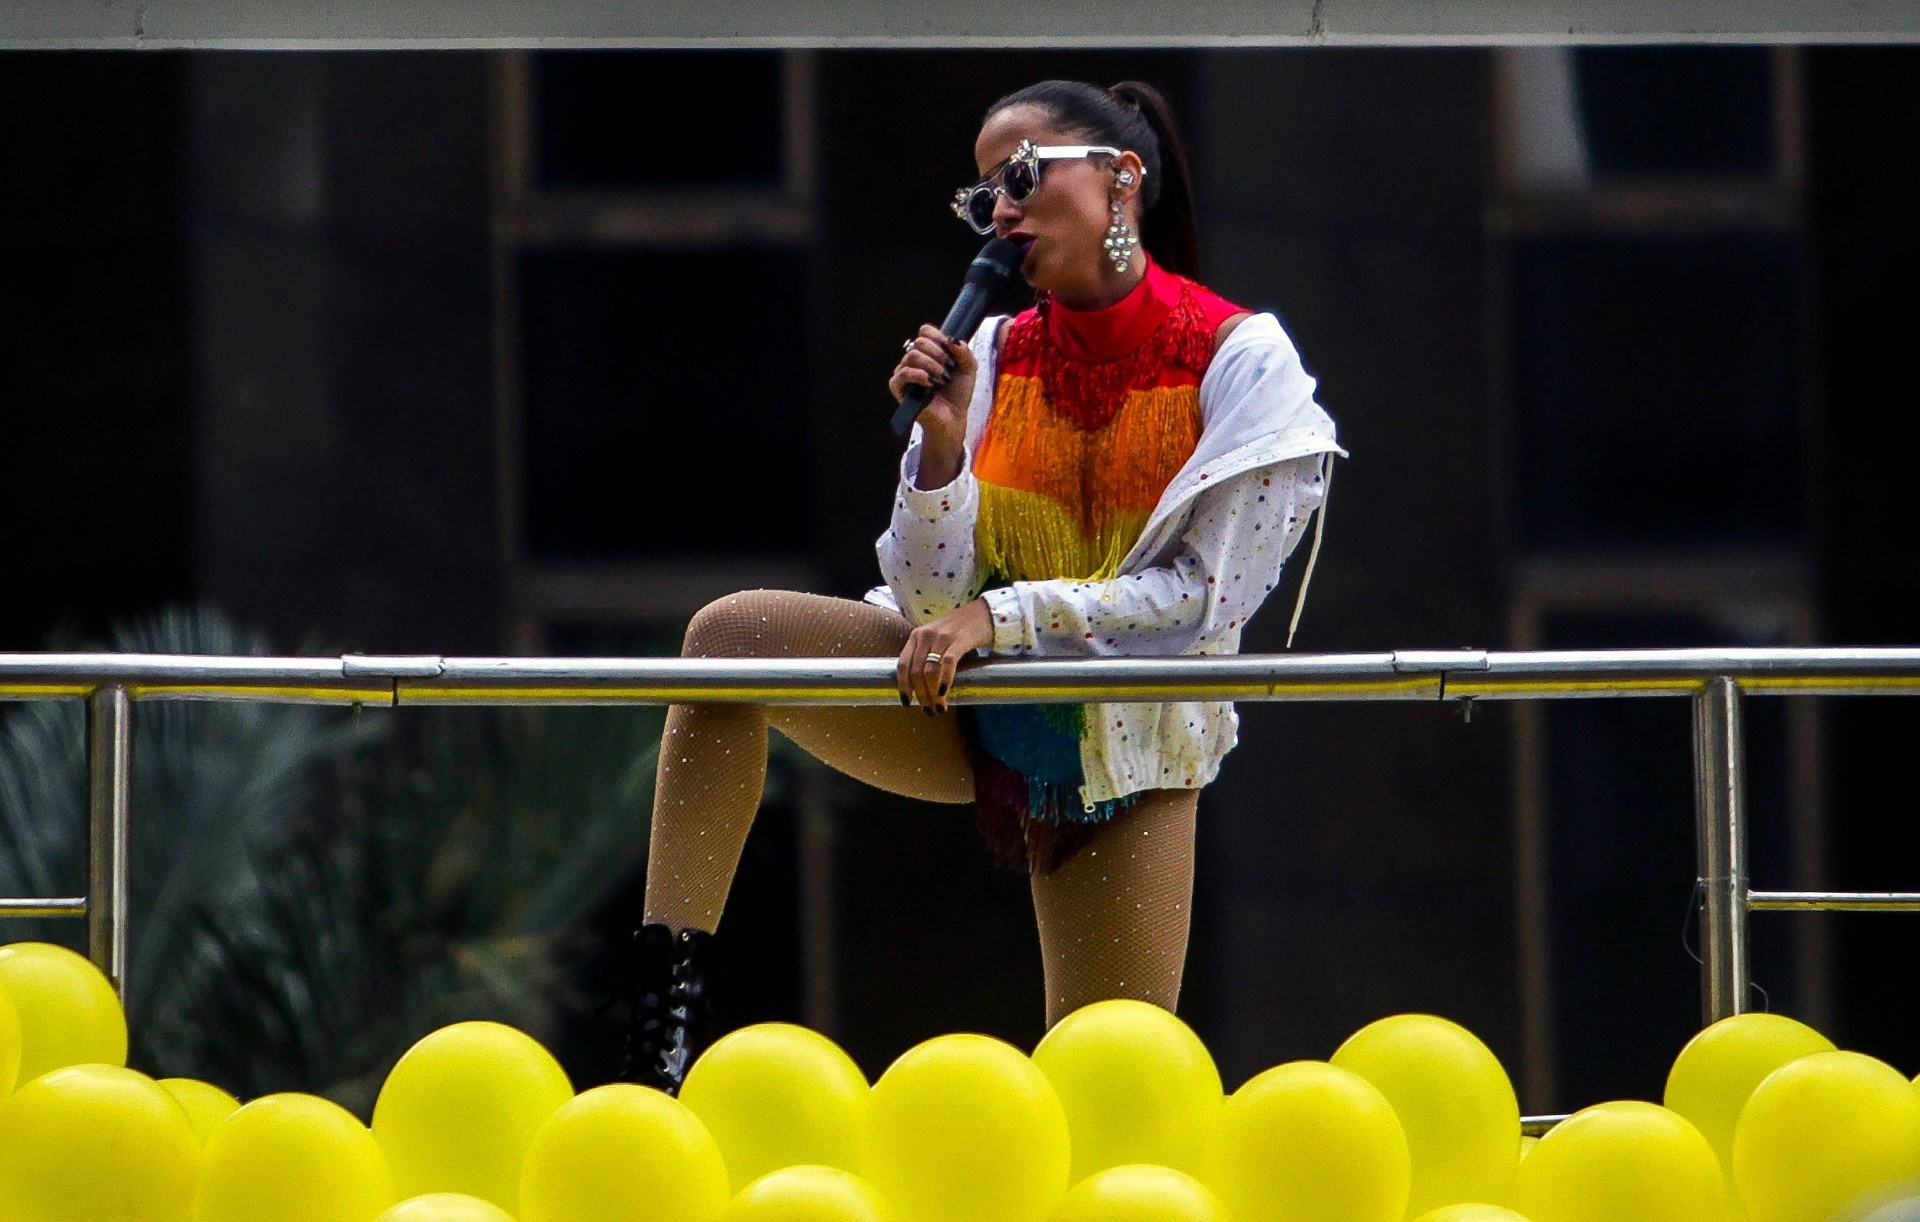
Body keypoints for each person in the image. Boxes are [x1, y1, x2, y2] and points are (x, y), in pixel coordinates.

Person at [621, 79, 1342, 1094]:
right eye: (983, 197)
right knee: (729, 636)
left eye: (1022, 177)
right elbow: (923, 605)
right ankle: (660, 1030)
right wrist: (943, 452)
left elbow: (1200, 602)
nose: (1000, 210)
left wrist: (1000, 615)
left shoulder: (1239, 358)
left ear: (1121, 180)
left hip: (1118, 743)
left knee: (1111, 1088)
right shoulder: (997, 352)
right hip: (969, 702)